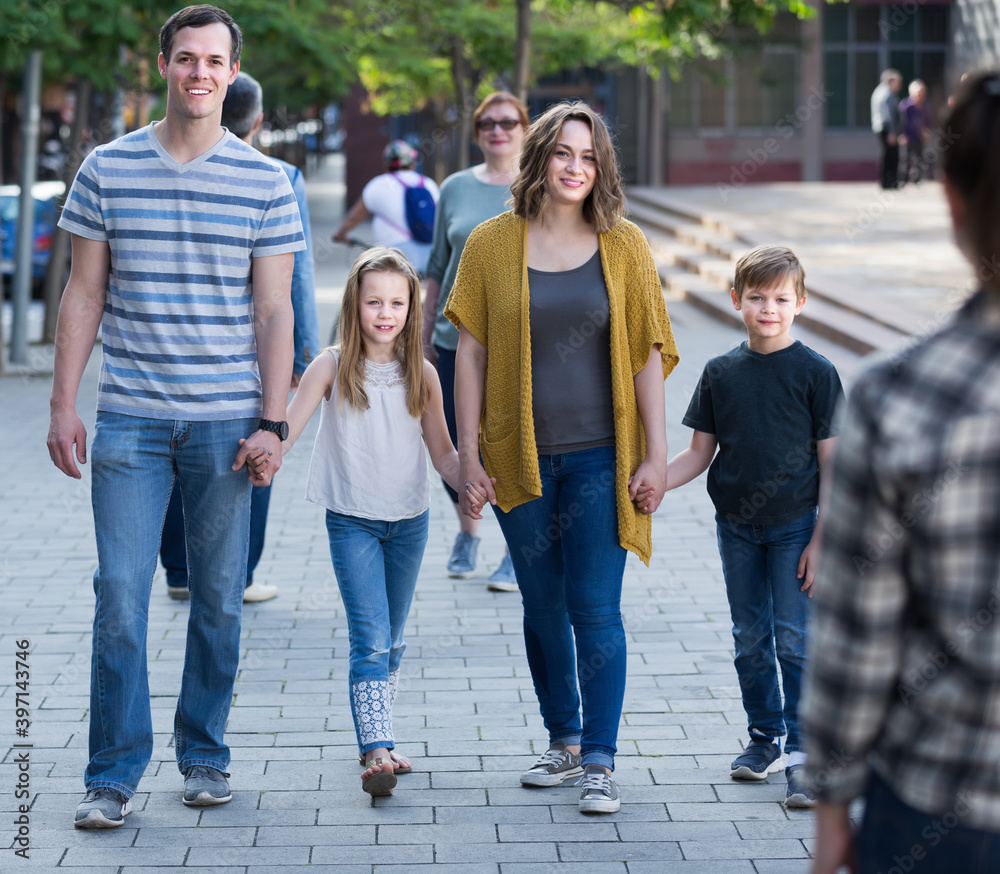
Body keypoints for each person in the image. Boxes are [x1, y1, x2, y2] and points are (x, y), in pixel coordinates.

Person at [46, 5, 304, 828]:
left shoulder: (266, 180)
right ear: (163, 65)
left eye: (214, 61)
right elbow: (84, 291)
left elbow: (274, 313)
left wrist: (274, 423)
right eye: (185, 58)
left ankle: (204, 754)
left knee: (221, 598)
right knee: (120, 593)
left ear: (233, 72)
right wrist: (62, 402)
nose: (199, 72)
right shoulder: (107, 168)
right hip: (129, 419)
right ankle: (112, 774)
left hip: (228, 423)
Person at [445, 101, 679, 814]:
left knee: (594, 609)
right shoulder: (491, 242)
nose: (576, 168)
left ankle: (601, 759)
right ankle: (564, 739)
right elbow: (470, 355)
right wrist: (467, 458)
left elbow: (644, 354)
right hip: (521, 461)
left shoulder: (624, 244)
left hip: (603, 460)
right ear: (540, 157)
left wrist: (657, 456)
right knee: (542, 606)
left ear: (601, 168)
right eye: (563, 154)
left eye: (589, 158)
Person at [804, 70, 1000, 874]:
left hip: (941, 805)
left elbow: (859, 633)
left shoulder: (898, 397)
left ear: (951, 199)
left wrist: (830, 807)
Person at [245, 247, 486, 796]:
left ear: (412, 308)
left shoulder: (422, 373)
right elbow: (289, 427)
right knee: (371, 637)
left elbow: (444, 452)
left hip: (410, 521)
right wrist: (266, 456)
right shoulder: (331, 365)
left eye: (397, 303)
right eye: (374, 301)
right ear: (354, 303)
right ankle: (376, 749)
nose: (385, 313)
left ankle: (380, 738)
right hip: (352, 520)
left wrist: (471, 481)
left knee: (393, 638)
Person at [664, 245, 843, 809]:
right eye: (758, 297)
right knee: (750, 639)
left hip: (796, 528)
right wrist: (654, 482)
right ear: (737, 300)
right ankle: (763, 738)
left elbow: (833, 462)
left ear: (801, 303)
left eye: (782, 299)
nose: (769, 308)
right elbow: (698, 454)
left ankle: (806, 754)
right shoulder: (721, 372)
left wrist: (822, 538)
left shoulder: (817, 373)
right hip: (736, 529)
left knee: (795, 639)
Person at [159, 70, 321, 604]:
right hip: (251, 352)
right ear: (255, 118)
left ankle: (181, 570)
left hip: (175, 355)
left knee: (177, 458)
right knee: (250, 454)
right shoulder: (280, 176)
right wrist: (305, 353)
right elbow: (296, 276)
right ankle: (240, 575)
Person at [421, 91, 528, 590]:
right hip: (450, 340)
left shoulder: (539, 188)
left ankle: (515, 546)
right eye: (487, 122)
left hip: (516, 347)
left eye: (508, 122)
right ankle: (469, 529)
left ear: (525, 129)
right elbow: (437, 270)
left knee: (508, 446)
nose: (497, 130)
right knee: (450, 443)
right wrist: (420, 337)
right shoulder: (455, 188)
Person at [332, 140, 439, 276]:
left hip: (396, 258)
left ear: (387, 164)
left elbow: (354, 217)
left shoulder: (379, 184)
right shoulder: (429, 184)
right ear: (413, 163)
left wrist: (341, 233)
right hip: (429, 254)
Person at [871, 68, 903, 190]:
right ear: (891, 82)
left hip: (882, 128)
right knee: (891, 155)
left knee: (886, 154)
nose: (899, 86)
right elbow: (888, 114)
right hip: (887, 128)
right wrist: (892, 131)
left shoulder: (880, 91)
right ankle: (890, 181)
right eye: (897, 82)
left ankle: (887, 182)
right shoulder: (886, 94)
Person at [899, 78, 934, 184]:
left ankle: (917, 179)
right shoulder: (905, 106)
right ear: (912, 93)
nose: (921, 95)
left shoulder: (925, 106)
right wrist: (902, 135)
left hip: (920, 136)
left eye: (923, 92)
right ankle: (902, 180)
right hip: (908, 136)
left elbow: (929, 121)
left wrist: (927, 132)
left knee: (919, 158)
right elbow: (901, 122)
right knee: (906, 159)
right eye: (919, 92)